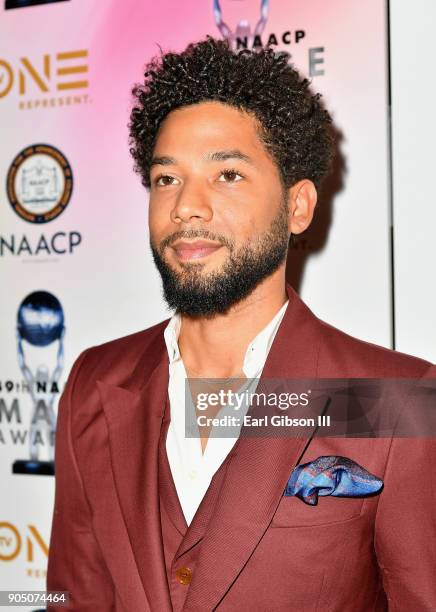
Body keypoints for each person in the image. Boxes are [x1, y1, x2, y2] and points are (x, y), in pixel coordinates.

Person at [46, 37, 436, 611]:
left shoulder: (394, 400)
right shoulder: (94, 382)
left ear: (297, 206)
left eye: (226, 175)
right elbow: (71, 599)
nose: (186, 206)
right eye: (166, 179)